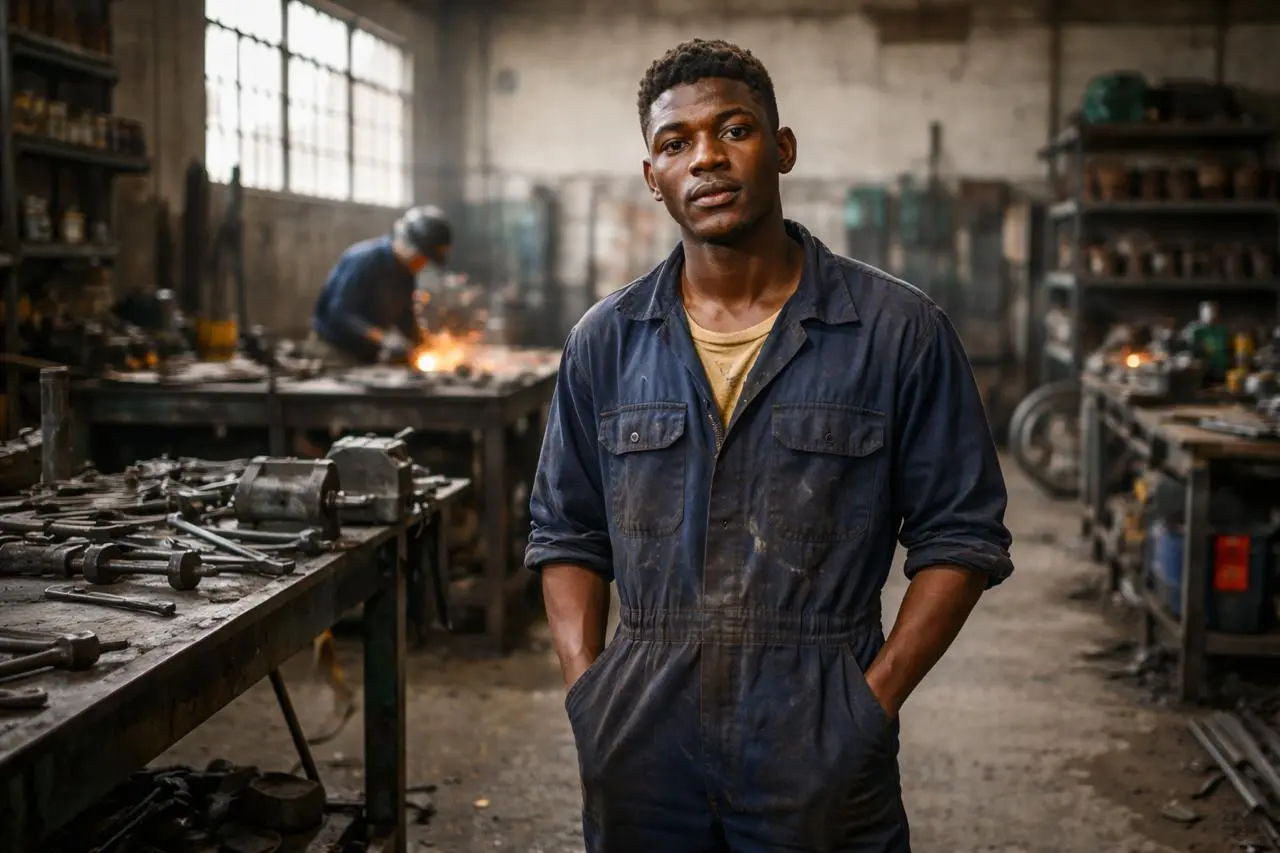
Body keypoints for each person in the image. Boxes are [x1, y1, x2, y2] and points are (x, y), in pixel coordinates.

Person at [525, 38, 1014, 853]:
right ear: (653, 176)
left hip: (817, 732)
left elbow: (961, 535)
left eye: (735, 130)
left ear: (782, 148)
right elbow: (567, 529)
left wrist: (869, 703)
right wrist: (589, 691)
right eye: (675, 143)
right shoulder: (605, 341)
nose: (706, 158)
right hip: (641, 738)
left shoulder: (897, 331)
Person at [308, 205, 452, 366]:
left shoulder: (405, 272)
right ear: (407, 244)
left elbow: (405, 315)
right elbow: (339, 313)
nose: (423, 264)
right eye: (422, 257)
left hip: (365, 353)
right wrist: (383, 338)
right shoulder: (363, 260)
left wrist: (424, 344)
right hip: (334, 350)